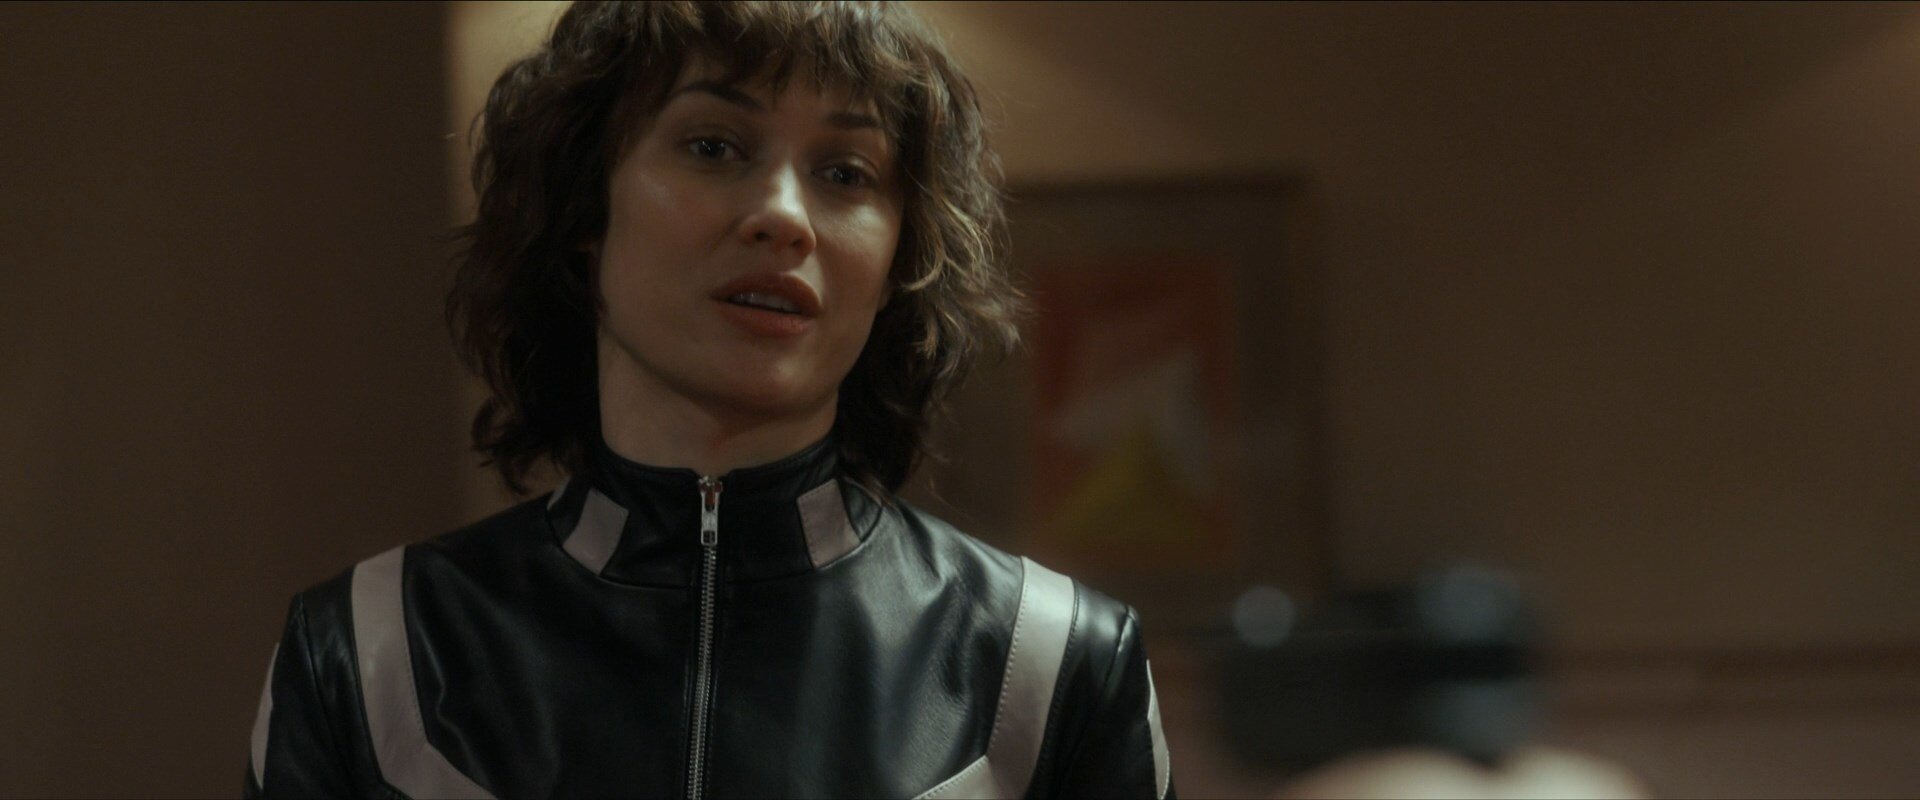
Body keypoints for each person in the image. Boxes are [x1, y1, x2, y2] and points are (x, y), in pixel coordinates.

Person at [243, 2, 1171, 798]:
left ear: (898, 261)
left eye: (845, 172)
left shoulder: (1050, 667)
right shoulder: (375, 652)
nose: (784, 216)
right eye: (714, 146)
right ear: (583, 213)